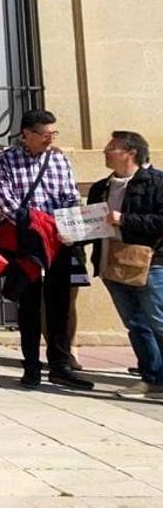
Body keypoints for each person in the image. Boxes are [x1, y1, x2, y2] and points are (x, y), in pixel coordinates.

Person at [0, 109, 89, 390]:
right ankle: (31, 366)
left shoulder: (59, 159)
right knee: (29, 304)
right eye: (45, 134)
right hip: (27, 240)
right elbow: (8, 203)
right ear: (27, 133)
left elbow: (70, 195)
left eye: (53, 134)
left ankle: (60, 364)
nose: (50, 139)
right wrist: (36, 225)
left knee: (59, 303)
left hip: (58, 239)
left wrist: (67, 222)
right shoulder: (6, 159)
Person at [87, 131, 163, 398]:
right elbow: (93, 226)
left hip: (150, 263)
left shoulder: (156, 182)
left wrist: (124, 219)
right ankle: (152, 378)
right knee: (135, 322)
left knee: (159, 320)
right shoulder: (101, 187)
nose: (106, 151)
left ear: (130, 153)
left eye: (113, 147)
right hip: (111, 262)